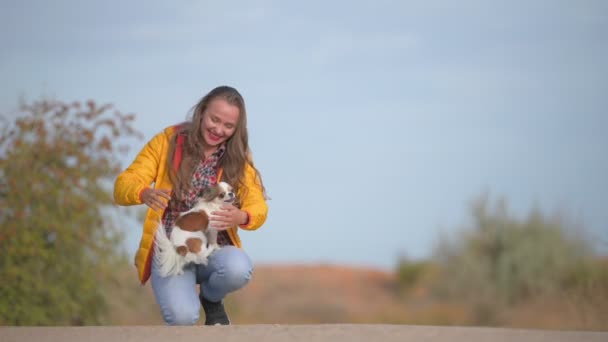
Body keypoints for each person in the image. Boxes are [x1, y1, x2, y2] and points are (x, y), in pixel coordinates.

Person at [113, 85, 268, 325]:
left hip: (212, 250)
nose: (218, 129)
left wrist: (243, 216)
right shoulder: (167, 140)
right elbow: (124, 184)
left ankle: (211, 299)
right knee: (182, 317)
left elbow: (257, 204)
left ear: (237, 129)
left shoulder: (238, 156)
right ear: (202, 111)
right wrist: (142, 192)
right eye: (214, 119)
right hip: (173, 249)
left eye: (228, 126)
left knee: (238, 268)